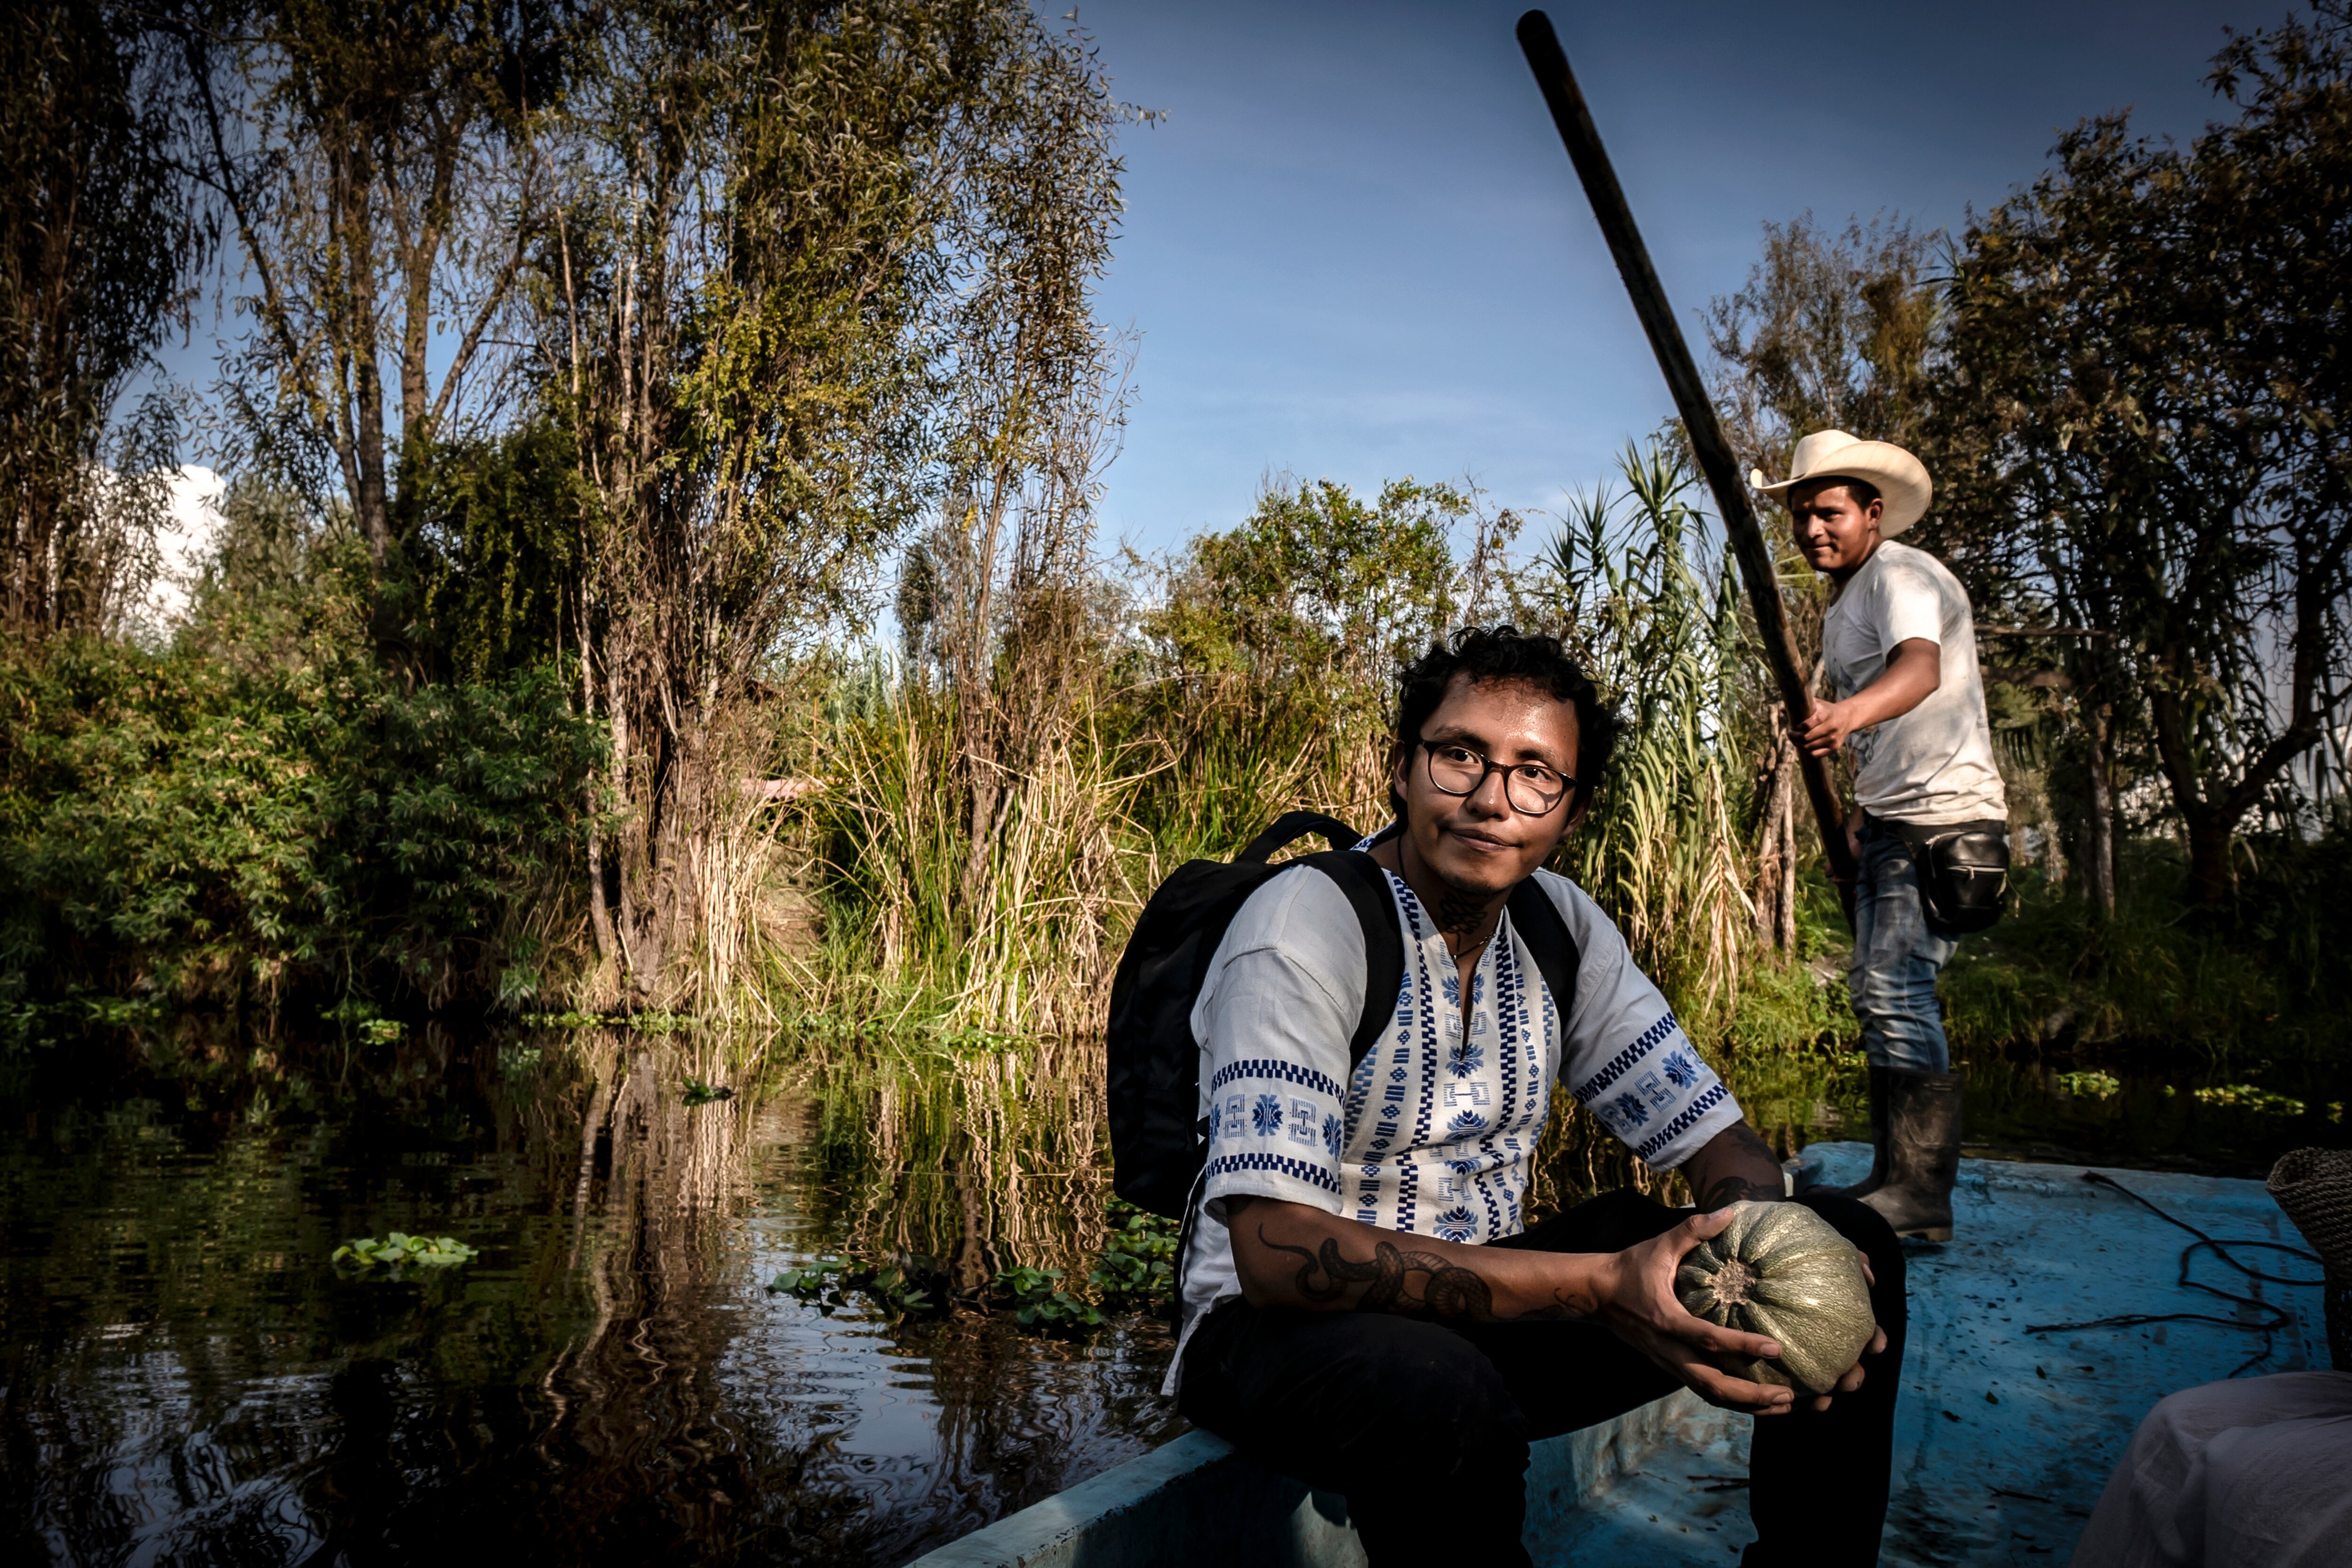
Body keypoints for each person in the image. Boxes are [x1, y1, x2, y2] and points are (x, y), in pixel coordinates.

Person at [1169, 626, 1905, 1568]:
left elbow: (1719, 1143)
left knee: (1850, 1240)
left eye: (1534, 774)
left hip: (1492, 1299)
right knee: (1437, 1386)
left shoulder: (1558, 928)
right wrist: (1603, 1285)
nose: (1491, 800)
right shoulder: (1304, 925)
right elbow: (1275, 1251)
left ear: (1571, 808)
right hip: (1273, 1333)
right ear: (1403, 768)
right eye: (1459, 756)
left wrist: (1760, 1254)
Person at [1752, 430, 2009, 1242]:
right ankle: (1893, 1177)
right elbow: (1894, 727)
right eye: (1800, 517)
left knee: (1900, 991)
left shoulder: (1898, 573)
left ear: (1872, 513)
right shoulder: (1848, 601)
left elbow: (1921, 670)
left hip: (1944, 821)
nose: (1812, 530)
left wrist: (1842, 714)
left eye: (1828, 512)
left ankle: (1922, 1198)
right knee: (1877, 994)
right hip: (1896, 818)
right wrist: (1864, 814)